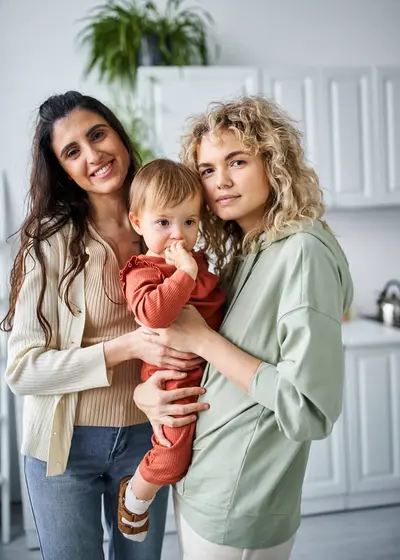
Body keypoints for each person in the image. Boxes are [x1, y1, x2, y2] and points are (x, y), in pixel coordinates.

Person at [132, 96, 354, 560]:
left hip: (240, 499)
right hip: (201, 479)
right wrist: (147, 394)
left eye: (237, 161)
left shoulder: (302, 252)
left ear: (274, 162)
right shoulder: (246, 250)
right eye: (208, 170)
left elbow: (308, 408)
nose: (222, 182)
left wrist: (203, 341)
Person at [2, 91, 209, 560]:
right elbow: (22, 371)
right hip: (64, 445)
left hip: (147, 438)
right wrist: (128, 347)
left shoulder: (168, 224)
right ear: (62, 169)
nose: (93, 155)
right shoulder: (49, 245)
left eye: (98, 134)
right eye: (72, 151)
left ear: (118, 134)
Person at [117, 158, 225, 542]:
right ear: (137, 222)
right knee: (173, 458)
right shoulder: (142, 271)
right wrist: (185, 274)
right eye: (163, 223)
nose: (178, 235)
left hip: (207, 374)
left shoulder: (196, 263)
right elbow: (155, 314)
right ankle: (135, 498)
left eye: (189, 222)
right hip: (172, 380)